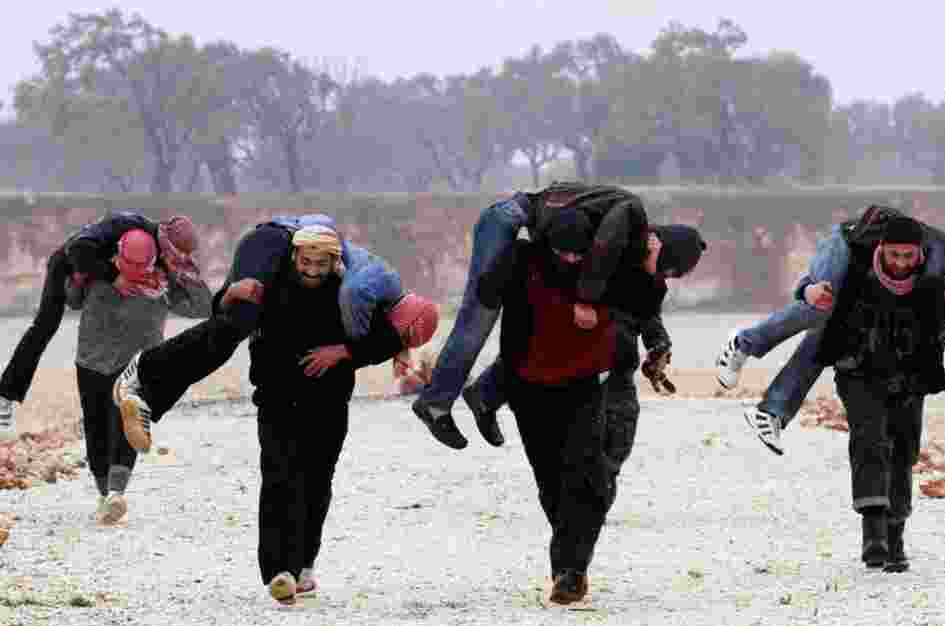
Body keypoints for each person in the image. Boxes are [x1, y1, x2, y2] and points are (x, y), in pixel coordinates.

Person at [220, 226, 439, 604]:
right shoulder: (270, 283)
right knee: (277, 480)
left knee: (315, 482)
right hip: (275, 400)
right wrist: (229, 294)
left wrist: (344, 352)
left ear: (335, 261)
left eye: (321, 263)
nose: (312, 269)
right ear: (294, 258)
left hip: (328, 403)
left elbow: (390, 337)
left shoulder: (351, 293)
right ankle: (278, 571)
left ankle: (304, 564)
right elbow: (223, 313)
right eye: (306, 261)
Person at [414, 180, 704, 449]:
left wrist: (657, 342)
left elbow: (642, 303)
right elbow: (604, 246)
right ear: (657, 244)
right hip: (510, 220)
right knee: (479, 318)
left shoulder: (630, 256)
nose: (663, 276)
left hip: (541, 243)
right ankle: (436, 403)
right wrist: (584, 301)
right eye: (666, 269)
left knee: (547, 330)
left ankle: (485, 396)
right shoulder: (626, 218)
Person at [714, 205, 945, 454]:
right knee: (820, 304)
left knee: (832, 333)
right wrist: (808, 290)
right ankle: (742, 343)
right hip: (847, 244)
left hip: (870, 268)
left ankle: (771, 412)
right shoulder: (942, 263)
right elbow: (937, 307)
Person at [477, 209, 667, 604]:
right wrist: (499, 257)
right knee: (552, 482)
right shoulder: (523, 260)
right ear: (547, 245)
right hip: (527, 387)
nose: (571, 261)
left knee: (592, 481)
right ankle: (568, 565)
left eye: (579, 254)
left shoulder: (606, 265)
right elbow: (485, 293)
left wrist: (649, 263)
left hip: (582, 387)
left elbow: (645, 304)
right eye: (563, 254)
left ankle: (571, 571)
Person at [112, 215, 410, 453]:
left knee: (229, 327)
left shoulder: (368, 280)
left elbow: (390, 326)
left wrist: (399, 347)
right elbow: (391, 324)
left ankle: (148, 402)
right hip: (271, 240)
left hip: (286, 256)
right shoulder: (360, 280)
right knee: (240, 318)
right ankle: (145, 365)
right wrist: (396, 347)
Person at [813, 216, 945, 572]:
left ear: (918, 254)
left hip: (911, 376)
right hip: (858, 373)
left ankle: (895, 535)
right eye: (894, 255)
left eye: (907, 256)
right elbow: (805, 290)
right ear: (881, 249)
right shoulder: (853, 267)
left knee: (903, 453)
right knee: (869, 440)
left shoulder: (935, 276)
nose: (900, 264)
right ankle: (873, 533)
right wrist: (810, 292)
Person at [0, 212, 198, 441]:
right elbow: (77, 250)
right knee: (44, 327)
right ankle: (6, 394)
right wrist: (114, 277)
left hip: (99, 282)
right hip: (69, 265)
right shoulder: (125, 224)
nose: (171, 260)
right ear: (164, 239)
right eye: (172, 255)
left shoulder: (160, 250)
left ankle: (106, 409)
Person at [67, 229, 211, 524]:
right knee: (95, 427)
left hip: (137, 365)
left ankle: (116, 493)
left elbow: (202, 307)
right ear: (117, 257)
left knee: (127, 423)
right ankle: (105, 494)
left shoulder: (161, 281)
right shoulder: (99, 271)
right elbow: (72, 298)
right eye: (128, 266)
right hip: (93, 362)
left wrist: (184, 272)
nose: (135, 273)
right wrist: (81, 277)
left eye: (141, 267)